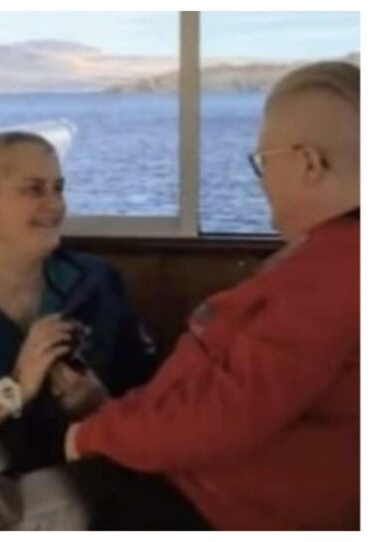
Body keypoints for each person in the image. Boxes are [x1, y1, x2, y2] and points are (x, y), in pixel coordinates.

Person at [62, 61, 360, 529]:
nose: (259, 181)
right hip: (182, 471)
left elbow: (225, 414)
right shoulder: (331, 260)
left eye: (264, 161)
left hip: (206, 504)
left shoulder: (336, 276)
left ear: (308, 163)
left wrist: (92, 435)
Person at [0, 130, 161, 529]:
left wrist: (101, 401)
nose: (54, 205)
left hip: (75, 483)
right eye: (34, 190)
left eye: (58, 188)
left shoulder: (96, 285)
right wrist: (16, 388)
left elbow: (155, 404)